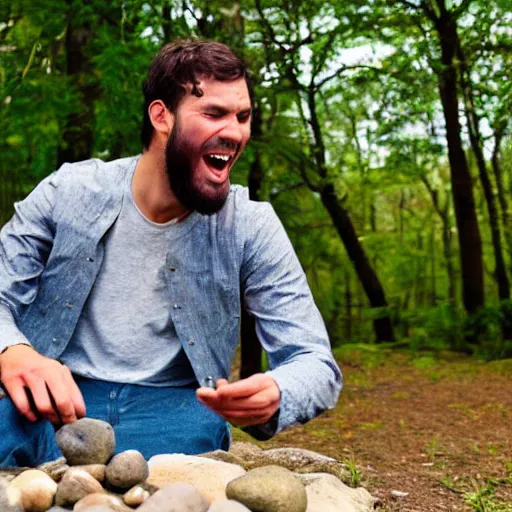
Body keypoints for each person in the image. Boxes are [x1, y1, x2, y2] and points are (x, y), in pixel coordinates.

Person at [0, 39, 342, 467]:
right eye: (214, 113)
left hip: (173, 412)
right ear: (162, 116)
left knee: (174, 471)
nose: (235, 132)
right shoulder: (67, 192)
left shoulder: (250, 224)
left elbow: (315, 362)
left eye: (243, 116)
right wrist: (12, 351)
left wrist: (279, 391)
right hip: (50, 401)